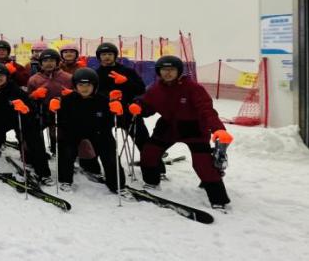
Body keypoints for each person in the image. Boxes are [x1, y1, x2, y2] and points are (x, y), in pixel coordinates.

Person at [135, 55, 232, 209]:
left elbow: (206, 110)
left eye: (171, 69)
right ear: (159, 71)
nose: (167, 73)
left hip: (193, 128)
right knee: (149, 152)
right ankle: (151, 182)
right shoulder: (156, 89)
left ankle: (218, 200)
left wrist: (218, 129)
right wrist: (138, 107)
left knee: (202, 164)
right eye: (164, 69)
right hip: (168, 126)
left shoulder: (193, 88)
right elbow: (147, 106)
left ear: (179, 71)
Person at [0, 64, 50, 184]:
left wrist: (24, 108)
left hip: (20, 119)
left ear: (7, 77)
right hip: (0, 119)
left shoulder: (15, 89)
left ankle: (43, 173)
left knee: (34, 139)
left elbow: (31, 108)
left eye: (1, 76)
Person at [52, 67, 123, 193]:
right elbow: (56, 121)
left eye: (88, 85)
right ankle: (65, 180)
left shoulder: (103, 101)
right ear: (75, 86)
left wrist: (117, 112)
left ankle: (117, 184)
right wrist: (53, 109)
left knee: (110, 152)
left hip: (98, 132)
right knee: (66, 150)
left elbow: (114, 123)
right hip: (73, 132)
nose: (84, 88)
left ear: (95, 86)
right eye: (81, 85)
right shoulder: (67, 100)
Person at [94, 42, 150, 154]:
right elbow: (92, 93)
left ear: (115, 55)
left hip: (127, 109)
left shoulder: (127, 71)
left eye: (110, 54)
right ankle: (105, 160)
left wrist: (126, 82)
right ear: (99, 57)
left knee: (140, 133)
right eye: (103, 54)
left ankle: (151, 161)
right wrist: (107, 97)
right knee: (99, 135)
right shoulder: (95, 74)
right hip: (106, 111)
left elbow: (141, 89)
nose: (107, 57)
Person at [26, 48, 73, 156]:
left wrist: (70, 95)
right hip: (41, 110)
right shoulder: (34, 79)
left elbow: (77, 95)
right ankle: (36, 153)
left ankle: (59, 150)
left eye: (52, 60)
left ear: (57, 62)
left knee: (59, 133)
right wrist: (34, 95)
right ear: (41, 63)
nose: (48, 63)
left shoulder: (68, 77)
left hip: (61, 110)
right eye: (45, 61)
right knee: (33, 131)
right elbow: (28, 98)